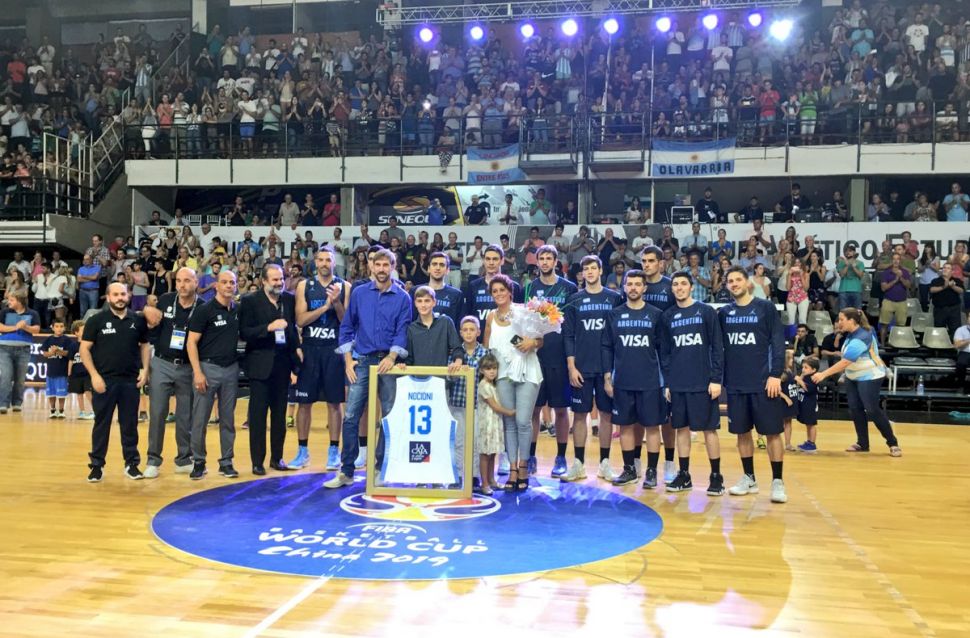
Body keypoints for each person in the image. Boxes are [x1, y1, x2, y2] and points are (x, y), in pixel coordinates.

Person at [326, 248, 412, 489]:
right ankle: (347, 471)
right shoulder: (360, 293)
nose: (382, 269)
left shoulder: (403, 297)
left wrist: (392, 356)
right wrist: (348, 360)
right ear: (371, 266)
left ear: (392, 267)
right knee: (351, 416)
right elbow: (347, 326)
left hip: (388, 363)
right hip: (362, 361)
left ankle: (380, 468)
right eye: (378, 264)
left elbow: (402, 331)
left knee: (389, 416)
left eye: (386, 265)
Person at [719, 267, 788, 504]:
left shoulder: (765, 308)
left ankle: (777, 481)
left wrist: (775, 374)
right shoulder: (724, 313)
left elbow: (777, 342)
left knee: (772, 433)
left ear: (748, 282)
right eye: (730, 281)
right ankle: (749, 478)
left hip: (764, 382)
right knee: (742, 432)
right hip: (736, 383)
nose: (734, 284)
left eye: (738, 279)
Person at [657, 271, 725, 495]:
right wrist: (668, 382)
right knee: (681, 429)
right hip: (678, 382)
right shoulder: (667, 316)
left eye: (683, 284)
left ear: (691, 287)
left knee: (709, 430)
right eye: (675, 284)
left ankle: (716, 476)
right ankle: (684, 475)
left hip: (703, 382)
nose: (679, 287)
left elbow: (717, 347)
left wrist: (716, 379)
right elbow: (665, 353)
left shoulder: (706, 311)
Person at [79, 282, 151, 482]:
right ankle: (96, 466)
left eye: (123, 294)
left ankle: (131, 464)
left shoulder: (138, 320)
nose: (120, 298)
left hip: (130, 381)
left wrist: (145, 369)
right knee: (101, 424)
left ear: (128, 296)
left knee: (130, 425)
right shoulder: (96, 320)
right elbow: (84, 349)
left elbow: (145, 346)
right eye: (116, 294)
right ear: (108, 297)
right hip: (104, 381)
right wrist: (94, 375)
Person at [601, 269, 665, 488]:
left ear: (645, 288)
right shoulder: (614, 314)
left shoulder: (656, 314)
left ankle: (651, 471)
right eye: (630, 284)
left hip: (650, 381)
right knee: (625, 426)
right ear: (624, 287)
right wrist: (607, 377)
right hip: (622, 380)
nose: (634, 288)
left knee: (652, 427)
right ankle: (629, 469)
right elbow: (607, 347)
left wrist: (666, 381)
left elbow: (663, 349)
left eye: (638, 284)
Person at [562, 256, 623, 482]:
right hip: (582, 367)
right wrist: (571, 366)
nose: (589, 272)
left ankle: (605, 464)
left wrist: (614, 369)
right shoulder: (574, 300)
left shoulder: (614, 298)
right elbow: (568, 335)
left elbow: (618, 335)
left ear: (600, 270)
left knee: (606, 415)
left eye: (593, 268)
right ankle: (578, 464)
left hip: (606, 368)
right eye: (585, 268)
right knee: (579, 415)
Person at [290, 247, 349, 472]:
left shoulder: (345, 286)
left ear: (334, 263)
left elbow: (346, 322)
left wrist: (336, 303)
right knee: (304, 403)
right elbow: (300, 320)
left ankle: (334, 451)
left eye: (328, 260)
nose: (324, 263)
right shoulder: (305, 286)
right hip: (310, 350)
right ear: (315, 262)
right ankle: (302, 451)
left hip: (334, 350)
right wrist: (325, 307)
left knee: (335, 402)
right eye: (321, 260)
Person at [811, 308, 901, 457]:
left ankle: (893, 443)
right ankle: (863, 443)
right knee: (855, 409)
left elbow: (846, 361)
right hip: (853, 377)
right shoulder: (850, 334)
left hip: (870, 376)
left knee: (872, 410)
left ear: (851, 321)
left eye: (841, 319)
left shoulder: (862, 336)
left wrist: (823, 374)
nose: (839, 322)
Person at [483, 274, 543, 491]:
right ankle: (513, 469)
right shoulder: (490, 317)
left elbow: (540, 340)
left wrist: (531, 342)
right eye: (494, 291)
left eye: (502, 290)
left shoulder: (523, 311)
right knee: (509, 422)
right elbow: (487, 348)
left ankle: (524, 466)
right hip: (503, 376)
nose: (499, 294)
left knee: (523, 421)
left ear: (510, 291)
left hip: (527, 372)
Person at [139, 267, 201, 478]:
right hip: (162, 363)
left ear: (196, 283)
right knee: (157, 413)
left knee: (185, 415)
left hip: (188, 366)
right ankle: (153, 460)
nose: (182, 285)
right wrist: (146, 309)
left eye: (187, 280)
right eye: (179, 281)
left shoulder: (203, 306)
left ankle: (184, 459)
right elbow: (148, 317)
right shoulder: (165, 300)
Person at [239, 264, 300, 474]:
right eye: (274, 279)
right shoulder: (250, 301)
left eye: (281, 279)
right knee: (257, 417)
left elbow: (292, 330)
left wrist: (296, 355)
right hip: (259, 366)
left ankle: (277, 458)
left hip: (282, 366)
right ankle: (257, 461)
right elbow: (244, 332)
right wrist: (268, 328)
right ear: (264, 281)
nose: (279, 283)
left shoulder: (289, 300)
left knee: (279, 416)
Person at [186, 270, 242, 480]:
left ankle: (226, 462)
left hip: (231, 369)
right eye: (224, 282)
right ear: (216, 285)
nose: (228, 285)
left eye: (232, 282)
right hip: (207, 369)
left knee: (227, 419)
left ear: (236, 286)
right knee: (200, 419)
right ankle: (199, 461)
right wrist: (197, 372)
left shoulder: (238, 310)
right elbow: (191, 342)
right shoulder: (204, 310)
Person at [527, 245, 577, 477]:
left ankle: (561, 457)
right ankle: (530, 456)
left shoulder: (569, 288)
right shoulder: (529, 288)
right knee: (534, 410)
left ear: (556, 262)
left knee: (561, 409)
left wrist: (571, 360)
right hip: (535, 357)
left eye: (549, 258)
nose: (545, 262)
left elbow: (571, 326)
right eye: (542, 258)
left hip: (559, 355)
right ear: (537, 262)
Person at [639, 246, 678, 482]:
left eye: (651, 261)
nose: (646, 265)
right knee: (639, 414)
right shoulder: (636, 285)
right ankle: (635, 463)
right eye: (644, 261)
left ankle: (670, 463)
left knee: (667, 415)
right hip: (640, 355)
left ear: (661, 263)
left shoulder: (670, 286)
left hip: (667, 355)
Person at [475, 353, 512, 495]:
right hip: (486, 426)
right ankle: (484, 483)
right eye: (488, 368)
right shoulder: (483, 385)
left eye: (494, 368)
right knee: (485, 454)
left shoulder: (493, 385)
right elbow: (494, 406)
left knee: (492, 453)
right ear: (481, 370)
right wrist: (510, 412)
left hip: (495, 424)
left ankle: (491, 480)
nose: (492, 371)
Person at [0, 290, 41, 413]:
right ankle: (3, 403)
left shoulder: (32, 313)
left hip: (24, 349)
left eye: (11, 300)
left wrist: (25, 327)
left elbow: (36, 329)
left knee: (20, 378)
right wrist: (16, 327)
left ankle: (17, 403)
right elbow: (0, 327)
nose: (8, 302)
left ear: (19, 301)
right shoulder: (4, 312)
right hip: (4, 348)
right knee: (6, 376)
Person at [463, 243, 523, 323]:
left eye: (495, 259)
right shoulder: (473, 286)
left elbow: (519, 317)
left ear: (502, 261)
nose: (491, 263)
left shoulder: (514, 286)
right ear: (483, 261)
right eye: (488, 259)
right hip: (481, 331)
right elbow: (468, 316)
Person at [421, 252, 463, 327]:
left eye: (442, 265)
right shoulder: (417, 291)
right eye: (434, 264)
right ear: (428, 269)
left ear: (447, 270)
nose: (438, 268)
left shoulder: (456, 294)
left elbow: (459, 325)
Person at [878, 253, 912, 345]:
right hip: (888, 301)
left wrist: (901, 278)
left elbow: (909, 286)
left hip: (902, 301)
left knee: (901, 325)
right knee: (884, 324)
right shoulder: (886, 272)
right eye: (894, 259)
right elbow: (883, 288)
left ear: (900, 261)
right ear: (891, 261)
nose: (896, 261)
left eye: (898, 259)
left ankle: (899, 344)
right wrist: (895, 280)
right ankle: (883, 345)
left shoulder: (905, 272)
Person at [41, 318, 72, 418]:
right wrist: (52, 352)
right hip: (50, 372)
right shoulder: (48, 339)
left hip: (62, 371)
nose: (59, 328)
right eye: (57, 326)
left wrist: (59, 351)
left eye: (61, 326)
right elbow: (45, 353)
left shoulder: (67, 340)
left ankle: (61, 410)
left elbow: (69, 353)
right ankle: (53, 410)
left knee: (61, 393)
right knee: (51, 393)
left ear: (64, 328)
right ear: (52, 327)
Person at [67, 320, 94, 420]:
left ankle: (95, 410)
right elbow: (71, 360)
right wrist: (69, 373)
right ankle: (82, 412)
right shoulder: (73, 346)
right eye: (83, 330)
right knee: (79, 393)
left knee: (88, 392)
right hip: (76, 373)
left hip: (88, 373)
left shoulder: (90, 344)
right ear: (76, 333)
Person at [929, 263, 964, 338]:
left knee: (955, 331)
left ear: (952, 271)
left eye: (948, 268)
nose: (945, 269)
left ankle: (954, 345)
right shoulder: (936, 280)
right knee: (939, 331)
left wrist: (953, 286)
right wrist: (944, 287)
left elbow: (961, 291)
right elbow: (932, 290)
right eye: (944, 268)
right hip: (940, 310)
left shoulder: (956, 280)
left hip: (954, 310)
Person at [794, 356, 820, 453]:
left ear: (813, 370)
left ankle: (812, 444)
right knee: (808, 424)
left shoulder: (813, 378)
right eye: (803, 367)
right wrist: (801, 377)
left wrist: (800, 381)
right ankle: (809, 442)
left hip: (810, 405)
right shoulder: (805, 376)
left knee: (811, 424)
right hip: (804, 404)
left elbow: (808, 389)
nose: (803, 369)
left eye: (806, 367)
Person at [836, 245, 865, 310]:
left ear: (854, 252)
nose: (848, 252)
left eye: (850, 251)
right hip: (844, 290)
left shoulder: (860, 263)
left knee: (857, 312)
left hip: (856, 290)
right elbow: (842, 275)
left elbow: (860, 275)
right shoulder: (841, 263)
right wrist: (846, 266)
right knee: (843, 312)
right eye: (846, 251)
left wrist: (854, 267)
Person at [955, 317, 970, 393]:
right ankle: (961, 386)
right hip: (965, 351)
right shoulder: (960, 330)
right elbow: (957, 345)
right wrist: (968, 340)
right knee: (961, 363)